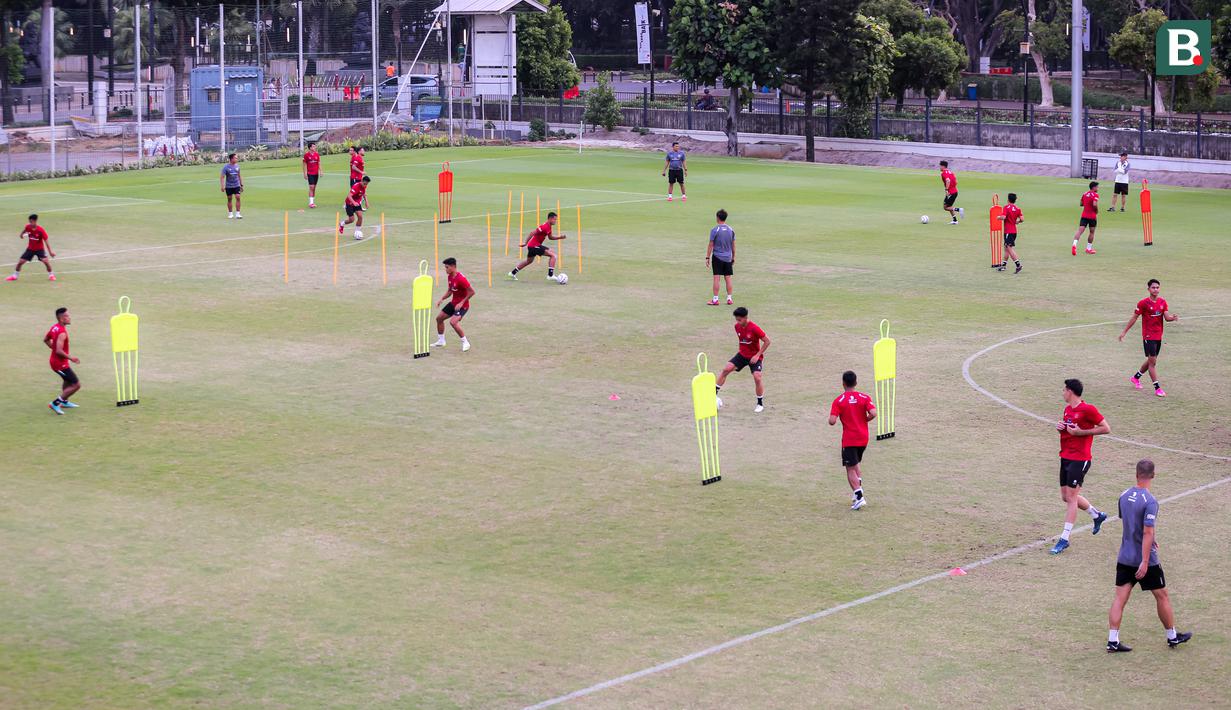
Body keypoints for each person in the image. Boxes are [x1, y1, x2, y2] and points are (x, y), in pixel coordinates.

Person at [1106, 459, 1193, 652]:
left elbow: (1129, 524)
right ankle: (1172, 637)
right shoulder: (1150, 501)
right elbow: (1146, 531)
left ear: (1136, 474)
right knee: (1162, 596)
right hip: (1145, 560)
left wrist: (1150, 538)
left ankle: (1112, 640)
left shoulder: (1123, 495)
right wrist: (1145, 561)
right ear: (1153, 475)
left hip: (1124, 556)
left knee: (1120, 598)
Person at [1050, 378, 1111, 555]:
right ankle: (1096, 515)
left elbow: (1106, 428)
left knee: (1071, 498)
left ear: (1070, 391)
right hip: (1065, 456)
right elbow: (1069, 431)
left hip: (1080, 458)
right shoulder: (1068, 409)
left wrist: (1081, 432)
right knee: (1066, 496)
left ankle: (1064, 539)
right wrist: (1061, 427)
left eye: (1064, 390)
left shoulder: (1088, 409)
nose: (1062, 393)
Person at [1119, 278, 1178, 397]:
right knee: (1153, 363)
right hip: (1148, 335)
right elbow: (1134, 318)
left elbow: (1166, 317)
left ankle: (1136, 377)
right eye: (1153, 287)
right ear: (1148, 289)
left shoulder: (1162, 302)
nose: (1156, 289)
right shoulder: (1143, 303)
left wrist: (1172, 318)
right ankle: (1157, 388)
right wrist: (1124, 332)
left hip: (1158, 335)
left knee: (1152, 360)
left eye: (1157, 287)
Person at [828, 370, 877, 510]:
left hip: (850, 439)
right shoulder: (864, 397)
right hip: (863, 438)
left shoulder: (839, 401)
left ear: (843, 383)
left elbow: (832, 421)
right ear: (856, 383)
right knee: (856, 464)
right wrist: (864, 420)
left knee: (849, 468)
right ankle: (857, 494)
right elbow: (873, 413)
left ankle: (859, 496)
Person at [715, 307, 770, 413]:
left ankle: (760, 404)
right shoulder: (737, 327)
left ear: (745, 318)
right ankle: (713, 394)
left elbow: (767, 341)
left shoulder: (754, 328)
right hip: (742, 355)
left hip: (754, 357)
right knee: (726, 369)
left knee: (757, 377)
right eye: (736, 319)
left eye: (740, 320)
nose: (738, 322)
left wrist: (757, 355)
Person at [432, 257, 475, 352]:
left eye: (447, 267)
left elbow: (472, 292)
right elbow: (450, 291)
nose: (445, 269)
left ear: (453, 266)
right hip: (453, 303)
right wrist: (442, 299)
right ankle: (441, 341)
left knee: (453, 322)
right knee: (439, 318)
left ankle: (465, 342)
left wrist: (461, 302)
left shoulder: (461, 279)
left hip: (463, 306)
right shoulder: (450, 277)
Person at [508, 211, 566, 281]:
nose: (555, 221)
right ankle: (550, 275)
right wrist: (525, 243)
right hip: (533, 246)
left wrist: (560, 237)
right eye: (555, 219)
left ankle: (512, 273)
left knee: (529, 261)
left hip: (534, 246)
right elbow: (532, 233)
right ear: (550, 219)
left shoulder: (549, 227)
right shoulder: (544, 226)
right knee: (553, 255)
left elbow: (550, 237)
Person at [44, 306, 81, 415]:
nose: (69, 318)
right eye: (67, 316)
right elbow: (59, 351)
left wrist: (53, 347)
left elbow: (46, 340)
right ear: (61, 319)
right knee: (76, 385)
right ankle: (55, 403)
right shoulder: (62, 333)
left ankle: (64, 402)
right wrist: (71, 358)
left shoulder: (54, 327)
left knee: (67, 381)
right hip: (59, 364)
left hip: (58, 362)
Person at [6, 213, 55, 282]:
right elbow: (25, 230)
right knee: (20, 262)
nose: (30, 223)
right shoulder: (28, 226)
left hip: (39, 249)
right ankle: (15, 276)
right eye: (29, 221)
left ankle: (51, 275)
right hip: (30, 249)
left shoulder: (41, 230)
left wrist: (50, 252)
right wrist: (21, 234)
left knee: (46, 262)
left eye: (31, 222)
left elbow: (46, 242)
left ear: (35, 221)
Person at [706, 209, 735, 305]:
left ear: (717, 218)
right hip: (728, 257)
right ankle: (729, 298)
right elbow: (733, 245)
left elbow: (711, 244)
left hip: (717, 257)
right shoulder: (731, 230)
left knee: (716, 278)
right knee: (728, 278)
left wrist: (707, 257)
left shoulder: (715, 230)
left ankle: (715, 299)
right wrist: (733, 257)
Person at [995, 193, 1023, 273]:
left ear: (1008, 199)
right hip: (1014, 231)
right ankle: (1003, 266)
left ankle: (1018, 265)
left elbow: (1003, 217)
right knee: (1006, 248)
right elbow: (1022, 219)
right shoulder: (1017, 208)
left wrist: (998, 217)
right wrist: (1018, 222)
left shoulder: (1006, 207)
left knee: (1009, 248)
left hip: (1008, 231)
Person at [1072, 181, 1099, 255]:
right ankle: (1088, 249)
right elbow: (1094, 204)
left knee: (1080, 231)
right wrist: (1096, 210)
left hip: (1084, 215)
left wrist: (1086, 204)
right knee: (1092, 232)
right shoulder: (1095, 195)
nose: (1098, 188)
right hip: (1092, 216)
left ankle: (1074, 245)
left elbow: (1081, 204)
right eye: (1097, 187)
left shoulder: (1085, 194)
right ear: (1094, 187)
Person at [220, 153, 243, 219]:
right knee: (229, 199)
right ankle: (230, 213)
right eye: (235, 158)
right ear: (231, 159)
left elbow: (239, 176)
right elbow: (222, 177)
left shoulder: (237, 166)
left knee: (238, 197)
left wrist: (241, 185)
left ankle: (238, 214)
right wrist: (222, 186)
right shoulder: (226, 167)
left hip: (236, 185)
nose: (237, 159)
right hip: (229, 186)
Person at [302, 141, 321, 208]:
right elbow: (304, 165)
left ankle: (312, 201)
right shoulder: (306, 155)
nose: (314, 147)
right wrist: (304, 174)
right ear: (310, 148)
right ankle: (311, 203)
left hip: (316, 174)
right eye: (313, 146)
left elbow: (319, 163)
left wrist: (321, 171)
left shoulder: (317, 155)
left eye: (314, 146)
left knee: (314, 188)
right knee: (311, 187)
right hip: (310, 173)